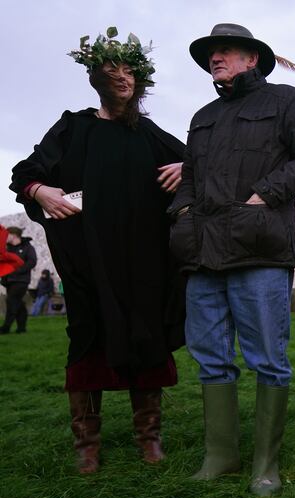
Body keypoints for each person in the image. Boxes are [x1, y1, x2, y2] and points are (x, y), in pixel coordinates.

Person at [8, 29, 186, 473]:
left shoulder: (148, 133)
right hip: (88, 260)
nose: (122, 77)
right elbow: (26, 172)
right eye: (113, 69)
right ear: (96, 77)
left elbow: (200, 159)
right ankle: (87, 443)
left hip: (145, 260)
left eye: (130, 69)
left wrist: (189, 166)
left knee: (147, 336)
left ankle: (149, 437)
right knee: (87, 336)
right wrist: (41, 189)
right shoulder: (74, 126)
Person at [169, 23, 295, 497]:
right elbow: (190, 177)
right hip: (203, 253)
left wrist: (266, 193)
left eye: (224, 52)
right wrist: (181, 212)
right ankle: (221, 455)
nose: (214, 59)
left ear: (252, 59)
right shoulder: (203, 116)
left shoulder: (286, 100)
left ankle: (266, 465)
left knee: (268, 360)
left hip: (259, 249)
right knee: (210, 359)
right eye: (210, 55)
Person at [1, 226, 36, 334]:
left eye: (8, 235)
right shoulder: (8, 248)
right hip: (9, 281)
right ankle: (22, 328)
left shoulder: (27, 247)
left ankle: (5, 327)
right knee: (18, 304)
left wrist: (17, 271)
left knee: (11, 301)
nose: (6, 237)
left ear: (14, 235)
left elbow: (32, 262)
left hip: (21, 280)